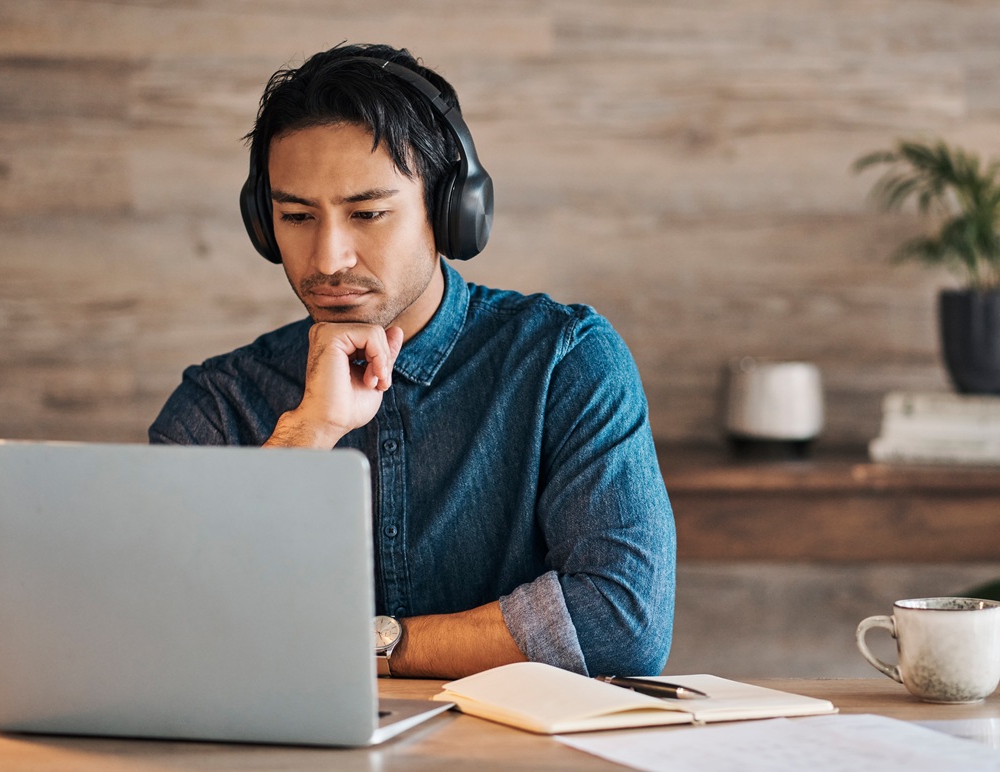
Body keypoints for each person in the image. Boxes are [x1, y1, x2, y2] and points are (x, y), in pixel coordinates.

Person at [149, 43, 676, 680]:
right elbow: (167, 622)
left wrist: (370, 644)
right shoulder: (219, 401)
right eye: (295, 216)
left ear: (453, 210)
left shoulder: (564, 361)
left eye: (367, 213)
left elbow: (623, 621)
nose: (327, 259)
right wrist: (306, 435)